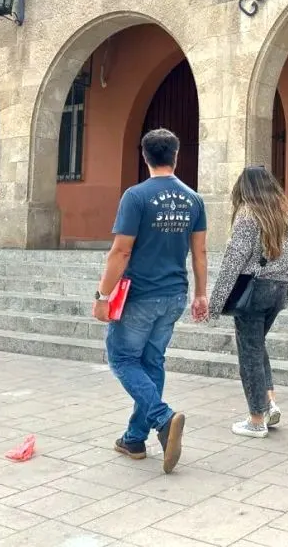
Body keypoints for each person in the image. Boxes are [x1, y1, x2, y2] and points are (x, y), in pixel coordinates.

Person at [92, 128, 208, 474]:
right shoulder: (193, 199)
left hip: (140, 295)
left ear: (144, 157)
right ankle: (134, 438)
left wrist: (102, 296)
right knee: (153, 361)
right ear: (176, 155)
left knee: (123, 358)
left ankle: (162, 417)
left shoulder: (136, 196)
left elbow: (121, 250)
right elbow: (199, 252)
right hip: (174, 294)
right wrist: (201, 293)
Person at [205, 166, 288, 438]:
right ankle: (267, 405)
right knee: (257, 347)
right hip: (278, 290)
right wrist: (286, 295)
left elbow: (232, 262)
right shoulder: (287, 218)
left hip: (254, 292)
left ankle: (257, 418)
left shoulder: (247, 215)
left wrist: (215, 303)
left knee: (250, 354)